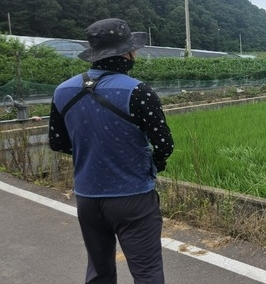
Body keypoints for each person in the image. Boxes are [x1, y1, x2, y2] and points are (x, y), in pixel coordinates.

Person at [48, 18, 174, 284]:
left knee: (99, 270)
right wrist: (154, 165)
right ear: (126, 53)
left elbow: (57, 142)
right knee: (147, 271)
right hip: (133, 196)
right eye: (134, 50)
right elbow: (164, 144)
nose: (135, 54)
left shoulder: (62, 90)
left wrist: (91, 153)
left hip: (87, 196)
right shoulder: (139, 91)